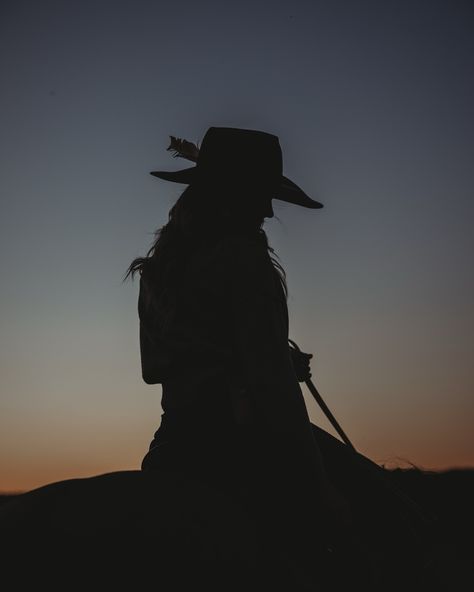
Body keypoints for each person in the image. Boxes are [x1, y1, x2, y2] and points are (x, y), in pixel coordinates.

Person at [123, 127, 370, 590]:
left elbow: (160, 366)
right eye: (261, 195)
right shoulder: (244, 258)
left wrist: (252, 361)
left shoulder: (156, 272)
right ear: (232, 194)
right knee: (354, 549)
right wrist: (319, 491)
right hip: (243, 449)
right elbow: (270, 388)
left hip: (173, 444)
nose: (268, 209)